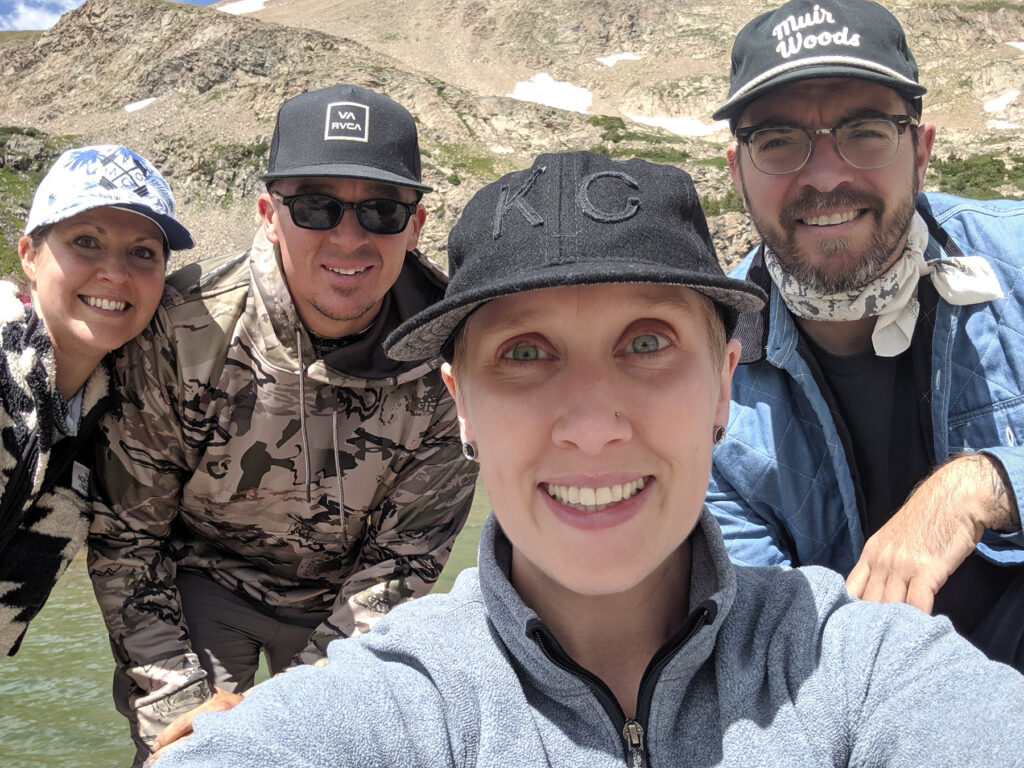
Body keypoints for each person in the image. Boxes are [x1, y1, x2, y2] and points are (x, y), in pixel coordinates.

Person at [152, 150, 1024, 768]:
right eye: (525, 354)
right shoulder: (405, 698)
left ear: (724, 384)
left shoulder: (862, 666)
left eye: (646, 341)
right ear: (462, 407)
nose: (593, 425)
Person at [87, 84, 479, 765]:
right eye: (315, 206)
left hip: (353, 596)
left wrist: (309, 716)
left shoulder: (457, 353)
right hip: (206, 579)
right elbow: (127, 538)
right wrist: (178, 707)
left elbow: (405, 557)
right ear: (271, 214)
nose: (349, 236)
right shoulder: (186, 330)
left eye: (382, 210)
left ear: (415, 227)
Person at [707, 0, 1024, 669]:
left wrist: (986, 482)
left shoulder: (1017, 258)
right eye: (778, 140)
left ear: (923, 150)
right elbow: (766, 650)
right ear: (737, 173)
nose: (824, 176)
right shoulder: (703, 381)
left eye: (868, 131)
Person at [0, 144, 190, 657]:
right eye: (86, 241)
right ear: (29, 256)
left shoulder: (113, 411)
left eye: (144, 252)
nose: (116, 272)